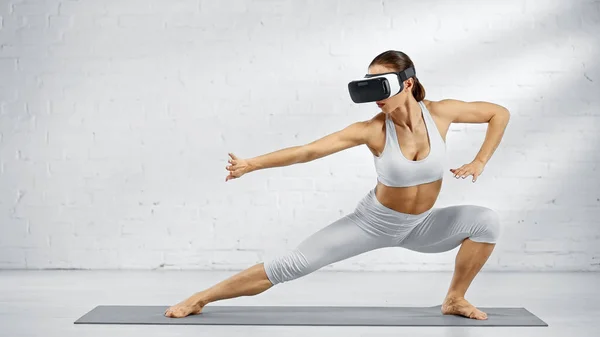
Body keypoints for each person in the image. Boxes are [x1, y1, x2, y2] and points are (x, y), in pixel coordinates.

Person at [164, 50, 510, 320]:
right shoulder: (372, 129)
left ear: (406, 83)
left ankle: (454, 298)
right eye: (368, 84)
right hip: (372, 224)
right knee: (291, 266)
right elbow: (308, 151)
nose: (375, 96)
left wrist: (480, 161)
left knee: (486, 222)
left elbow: (499, 113)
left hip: (421, 226)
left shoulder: (441, 113)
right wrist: (251, 164)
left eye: (381, 85)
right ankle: (200, 298)